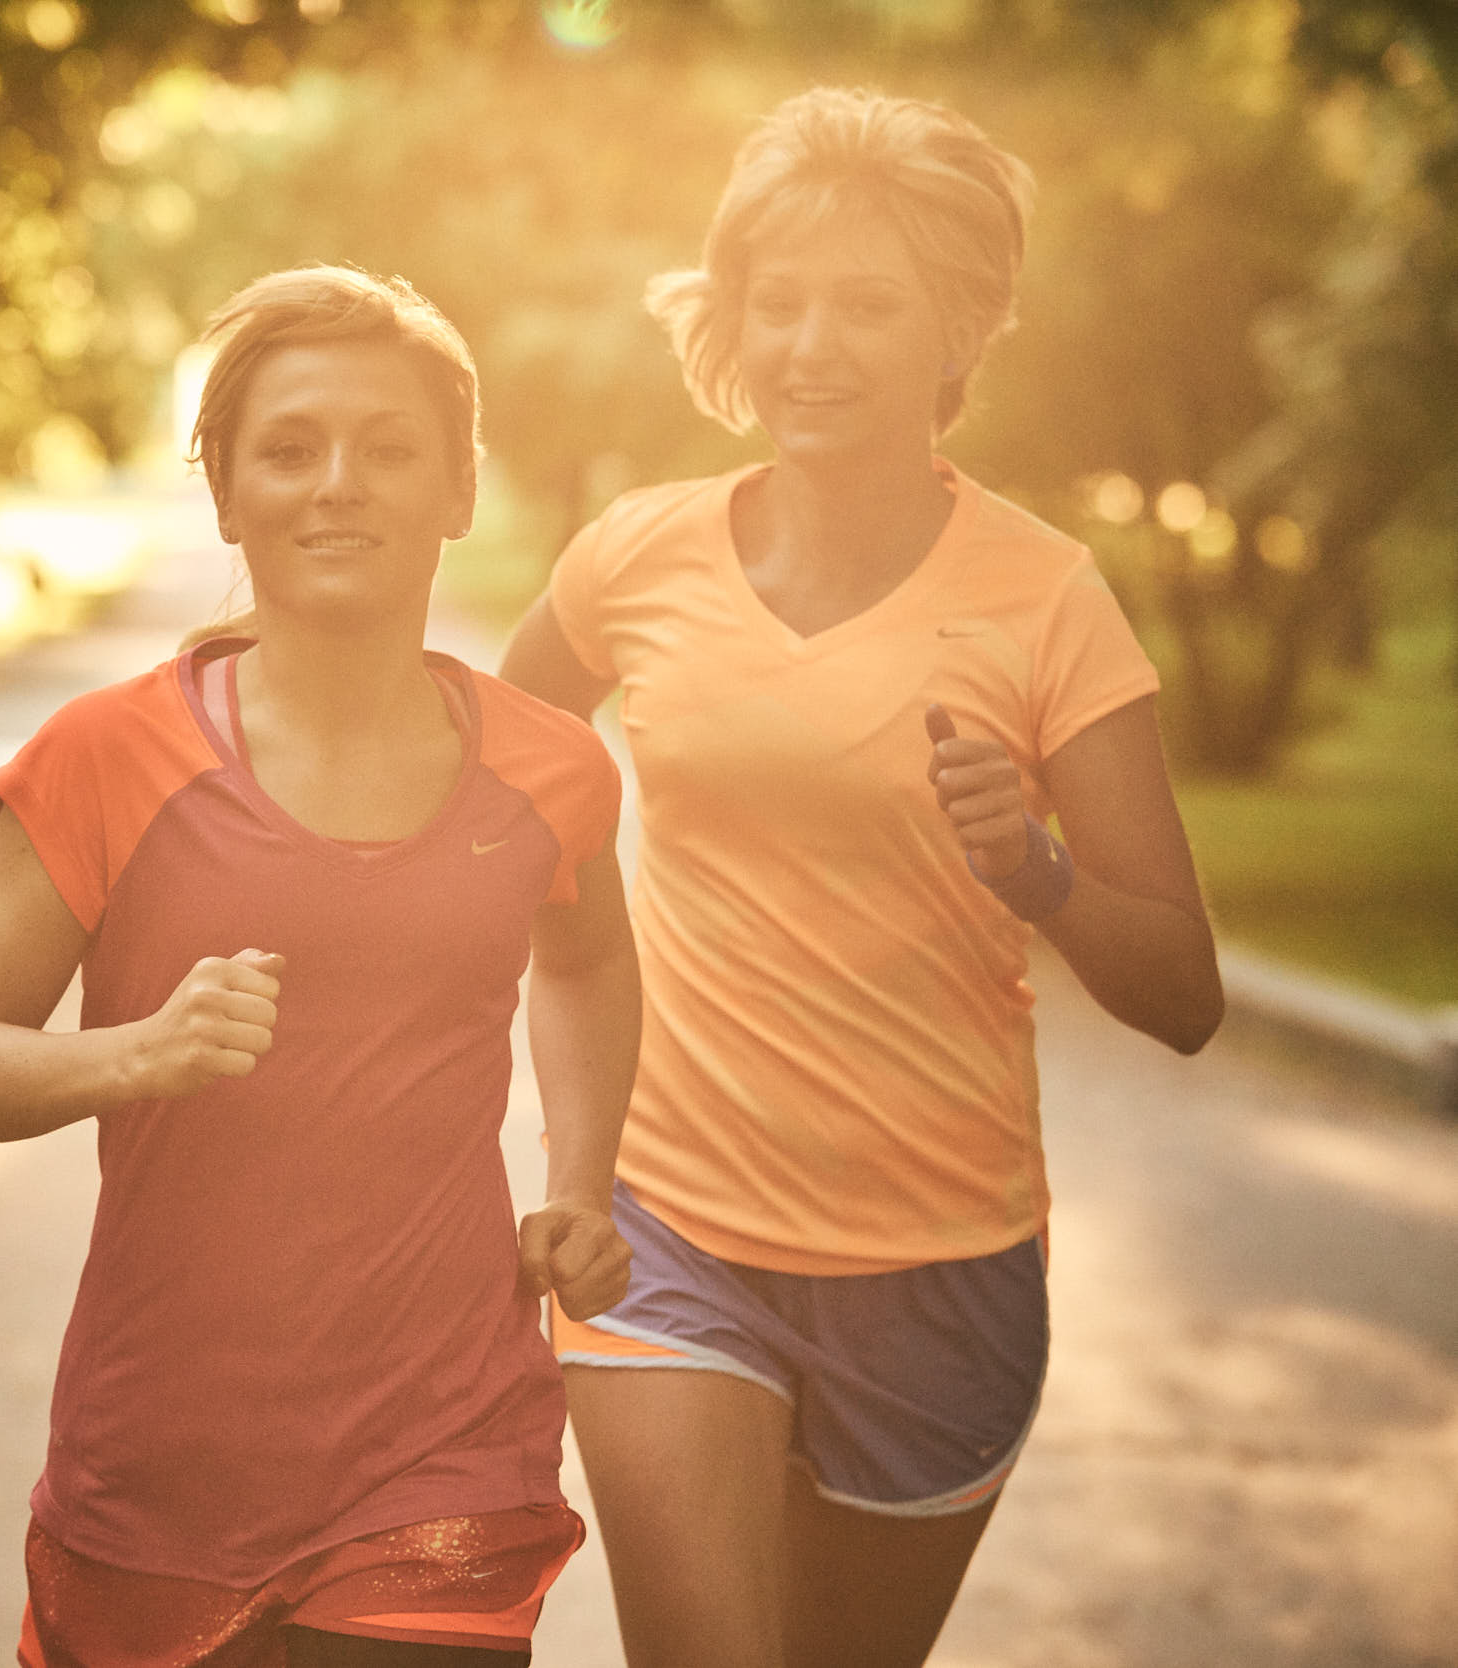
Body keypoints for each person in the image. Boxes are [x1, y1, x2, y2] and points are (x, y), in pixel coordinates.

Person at [496, 87, 1226, 1668]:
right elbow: (497, 771)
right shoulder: (636, 558)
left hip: (940, 1266)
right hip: (666, 1230)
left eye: (868, 302)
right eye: (782, 301)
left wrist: (1032, 870)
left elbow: (1181, 991)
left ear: (959, 327)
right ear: (735, 319)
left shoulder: (1047, 602)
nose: (812, 344)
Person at [0, 264, 644, 1668]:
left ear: (459, 491)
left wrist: (581, 1181)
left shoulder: (551, 770)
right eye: (291, 450)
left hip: (448, 1455)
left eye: (389, 448)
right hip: (164, 1470)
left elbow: (593, 964)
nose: (338, 484)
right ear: (229, 498)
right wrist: (138, 1053)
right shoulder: (106, 756)